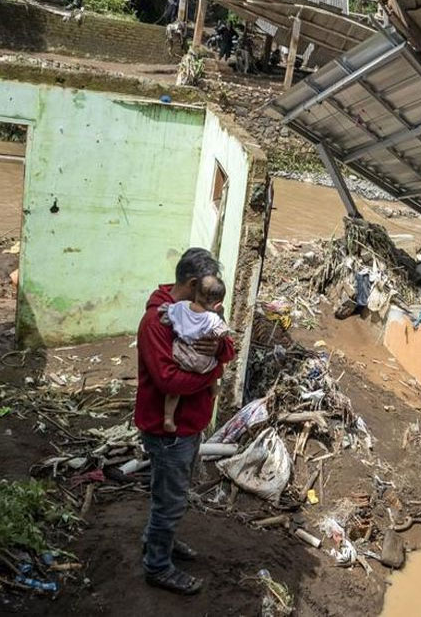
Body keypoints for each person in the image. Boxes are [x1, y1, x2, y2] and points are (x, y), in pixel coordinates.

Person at [134, 248, 234, 595]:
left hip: (188, 425)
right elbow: (168, 381)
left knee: (170, 493)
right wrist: (213, 373)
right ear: (192, 284)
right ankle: (157, 566)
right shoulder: (157, 322)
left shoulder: (199, 311)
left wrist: (217, 353)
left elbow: (226, 346)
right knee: (171, 500)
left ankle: (156, 540)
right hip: (168, 432)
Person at [160, 274, 229, 433]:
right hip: (201, 358)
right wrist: (215, 329)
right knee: (215, 366)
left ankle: (168, 418)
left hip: (181, 355)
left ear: (196, 293)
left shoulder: (181, 307)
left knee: (173, 392)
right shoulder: (211, 318)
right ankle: (214, 389)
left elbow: (166, 315)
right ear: (218, 304)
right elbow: (223, 332)